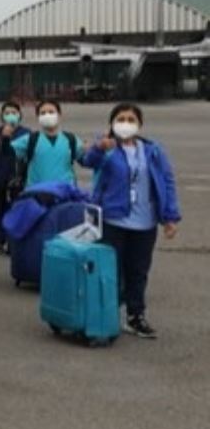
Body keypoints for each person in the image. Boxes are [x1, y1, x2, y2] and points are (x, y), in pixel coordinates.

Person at [81, 104, 181, 339]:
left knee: (138, 272)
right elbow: (87, 161)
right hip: (113, 220)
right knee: (111, 272)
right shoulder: (107, 147)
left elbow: (166, 182)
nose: (125, 123)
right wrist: (98, 147)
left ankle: (136, 316)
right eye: (120, 119)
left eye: (131, 119)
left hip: (144, 223)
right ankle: (106, 316)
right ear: (112, 124)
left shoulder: (152, 150)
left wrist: (170, 217)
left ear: (139, 124)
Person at [0, 102, 29, 253]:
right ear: (2, 116)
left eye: (14, 112)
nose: (10, 115)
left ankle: (12, 241)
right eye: (7, 112)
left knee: (15, 209)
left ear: (19, 115)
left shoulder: (25, 132)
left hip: (16, 177)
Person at [10, 100, 83, 190]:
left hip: (65, 193)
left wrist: (96, 150)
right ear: (38, 117)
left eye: (51, 112)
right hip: (37, 193)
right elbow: (8, 152)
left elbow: (86, 160)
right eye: (43, 113)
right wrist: (5, 138)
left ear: (59, 116)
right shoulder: (30, 139)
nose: (47, 115)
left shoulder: (71, 139)